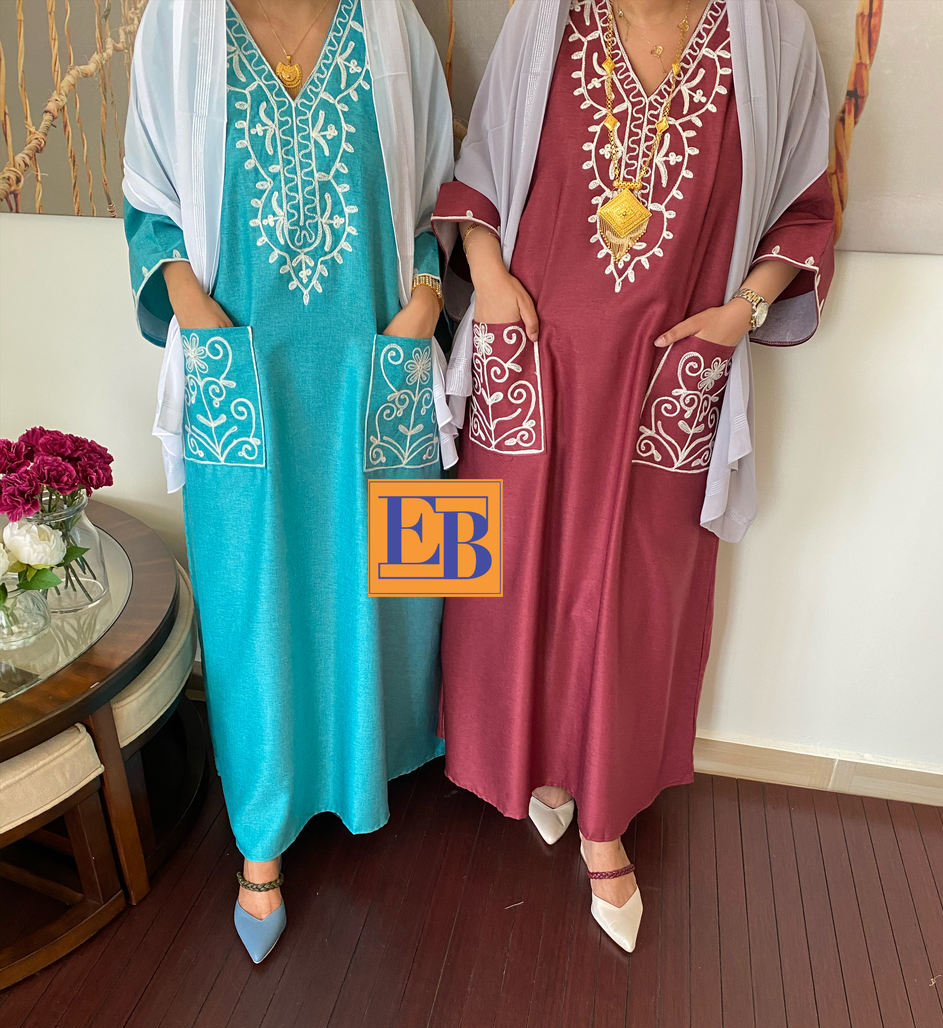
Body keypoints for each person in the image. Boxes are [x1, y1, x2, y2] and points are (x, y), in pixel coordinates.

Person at [434, 0, 835, 952]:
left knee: (640, 595)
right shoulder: (550, 19)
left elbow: (804, 209)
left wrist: (742, 313)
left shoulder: (770, 36)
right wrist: (488, 280)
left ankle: (604, 820)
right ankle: (534, 767)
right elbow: (479, 175)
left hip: (666, 374)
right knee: (503, 576)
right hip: (532, 355)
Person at [123, 0, 454, 962]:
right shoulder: (177, 29)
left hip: (371, 362)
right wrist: (198, 316)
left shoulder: (393, 29)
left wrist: (425, 303)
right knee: (249, 594)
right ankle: (261, 837)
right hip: (245, 363)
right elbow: (147, 205)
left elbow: (437, 201)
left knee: (393, 584)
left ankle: (369, 775)